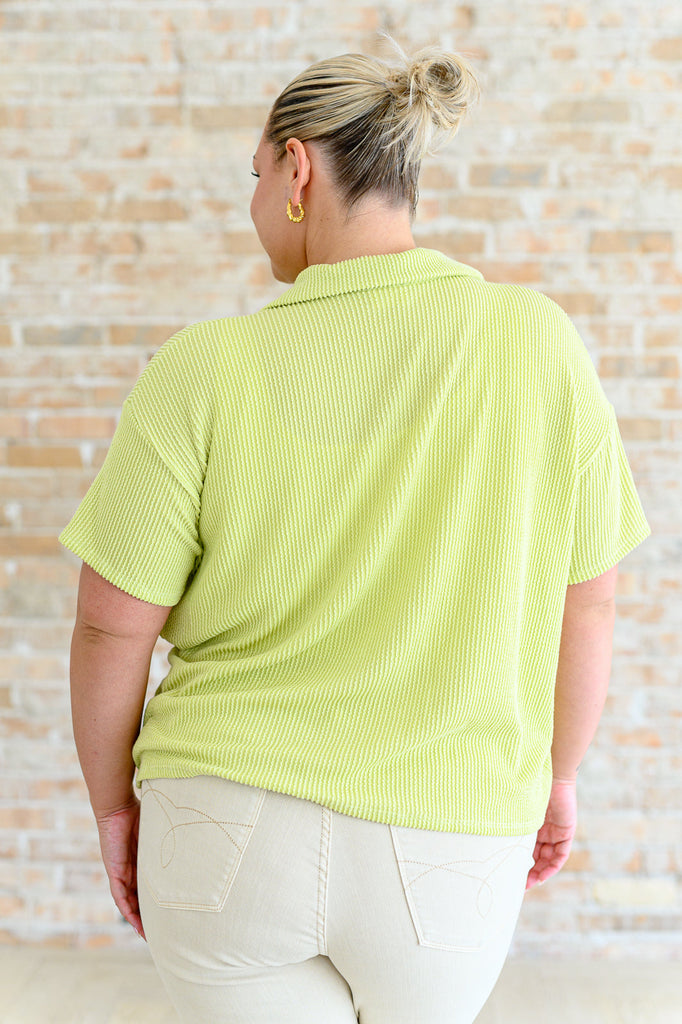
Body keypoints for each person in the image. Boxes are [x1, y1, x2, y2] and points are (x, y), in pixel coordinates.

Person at [60, 40, 650, 1024]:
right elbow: (587, 600)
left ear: (296, 169)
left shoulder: (202, 367)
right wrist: (560, 775)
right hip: (451, 839)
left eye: (255, 176)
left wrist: (114, 806)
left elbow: (108, 624)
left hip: (222, 824)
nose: (253, 205)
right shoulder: (536, 341)